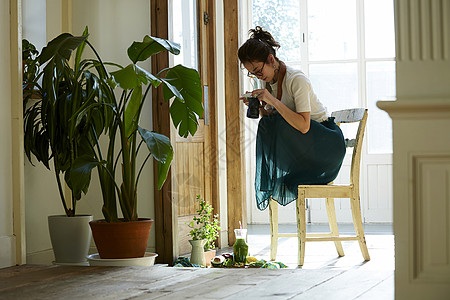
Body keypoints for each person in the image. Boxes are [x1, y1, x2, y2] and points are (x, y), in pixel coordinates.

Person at [238, 26, 346, 211]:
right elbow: (278, 118)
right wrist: (262, 106)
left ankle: (270, 178)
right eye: (252, 73)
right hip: (306, 145)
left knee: (273, 125)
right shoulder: (268, 82)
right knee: (268, 123)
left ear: (271, 59)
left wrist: (271, 99)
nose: (257, 75)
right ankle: (272, 177)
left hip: (326, 144)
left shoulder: (296, 79)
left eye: (257, 70)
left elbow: (304, 126)